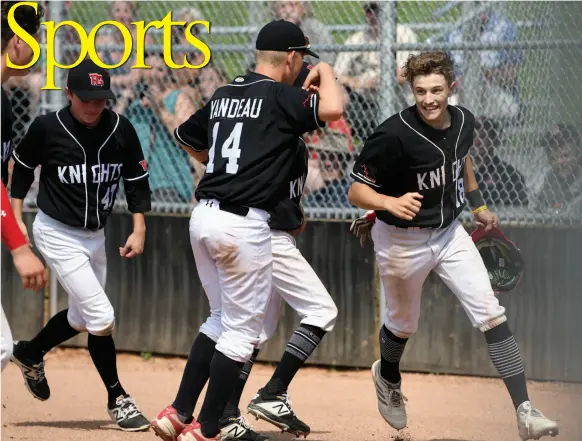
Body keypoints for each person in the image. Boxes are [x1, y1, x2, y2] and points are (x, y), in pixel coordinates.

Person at [347, 51, 558, 441]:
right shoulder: (392, 135)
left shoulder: (464, 121)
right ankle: (388, 377)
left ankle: (525, 411)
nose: (429, 99)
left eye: (437, 90)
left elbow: (461, 162)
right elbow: (356, 190)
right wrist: (388, 203)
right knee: (402, 324)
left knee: (490, 313)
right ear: (412, 90)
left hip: (449, 233)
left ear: (451, 88)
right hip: (400, 241)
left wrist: (478, 205)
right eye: (421, 90)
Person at [150, 19, 343, 441]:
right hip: (243, 225)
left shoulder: (224, 93)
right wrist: (325, 71)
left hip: (204, 214)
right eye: (301, 59)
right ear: (292, 57)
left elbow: (185, 134)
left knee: (220, 319)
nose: (302, 67)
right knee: (243, 331)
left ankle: (180, 412)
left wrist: (216, 163)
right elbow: (333, 110)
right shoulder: (278, 96)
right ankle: (209, 428)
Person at [9, 58, 152, 432]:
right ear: (69, 93)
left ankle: (30, 352)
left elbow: (136, 180)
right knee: (102, 318)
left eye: (100, 99)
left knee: (80, 318)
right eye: (85, 98)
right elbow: (21, 170)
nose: (93, 106)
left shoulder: (121, 128)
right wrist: (16, 219)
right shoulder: (47, 127)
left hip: (96, 235)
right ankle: (118, 398)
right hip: (55, 231)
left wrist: (139, 228)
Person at [0, 0, 48, 371]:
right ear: (16, 41)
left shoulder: (3, 99)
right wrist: (17, 246)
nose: (40, 47)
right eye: (35, 38)